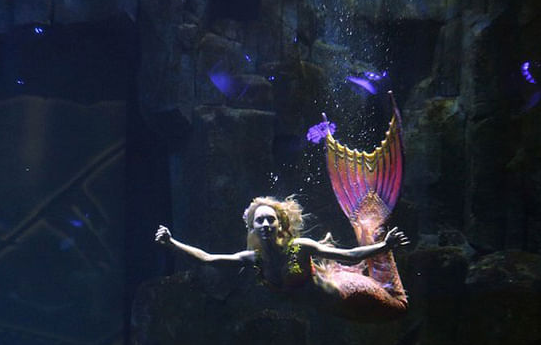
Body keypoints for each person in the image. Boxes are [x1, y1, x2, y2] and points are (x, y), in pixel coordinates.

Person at [156, 92, 410, 321]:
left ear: (280, 224)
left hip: (349, 294)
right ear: (252, 227)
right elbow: (209, 258)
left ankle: (372, 208)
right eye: (260, 221)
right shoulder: (255, 259)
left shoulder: (299, 248)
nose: (265, 224)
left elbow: (349, 255)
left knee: (399, 304)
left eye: (270, 219)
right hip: (337, 309)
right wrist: (171, 243)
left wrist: (384, 246)